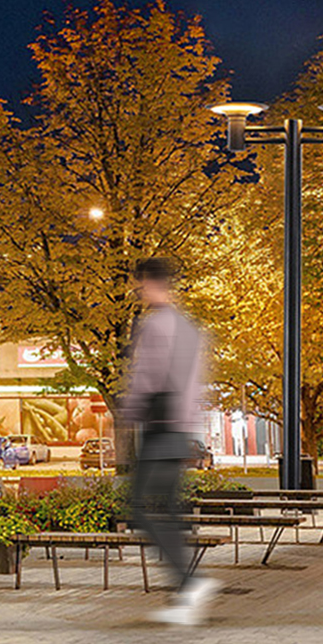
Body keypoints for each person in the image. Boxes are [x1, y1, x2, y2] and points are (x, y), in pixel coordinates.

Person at [122, 257, 219, 625]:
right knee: (171, 510)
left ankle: (189, 582)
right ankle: (186, 595)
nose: (139, 290)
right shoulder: (189, 327)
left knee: (140, 509)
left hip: (160, 425)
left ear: (150, 282)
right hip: (182, 426)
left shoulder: (155, 325)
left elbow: (148, 376)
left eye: (141, 283)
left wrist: (130, 412)